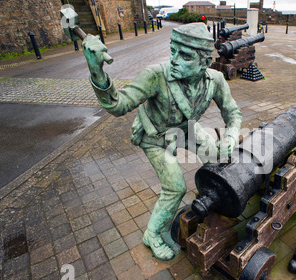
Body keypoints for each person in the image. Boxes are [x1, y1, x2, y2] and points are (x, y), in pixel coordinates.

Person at [82, 23, 242, 261]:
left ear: (204, 62)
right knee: (175, 187)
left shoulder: (215, 80)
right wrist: (97, 72)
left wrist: (230, 136)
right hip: (156, 136)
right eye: (173, 51)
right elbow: (118, 105)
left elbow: (233, 113)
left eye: (185, 56)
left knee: (218, 157)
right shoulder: (155, 75)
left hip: (186, 129)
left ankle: (211, 198)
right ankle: (153, 234)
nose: (175, 59)